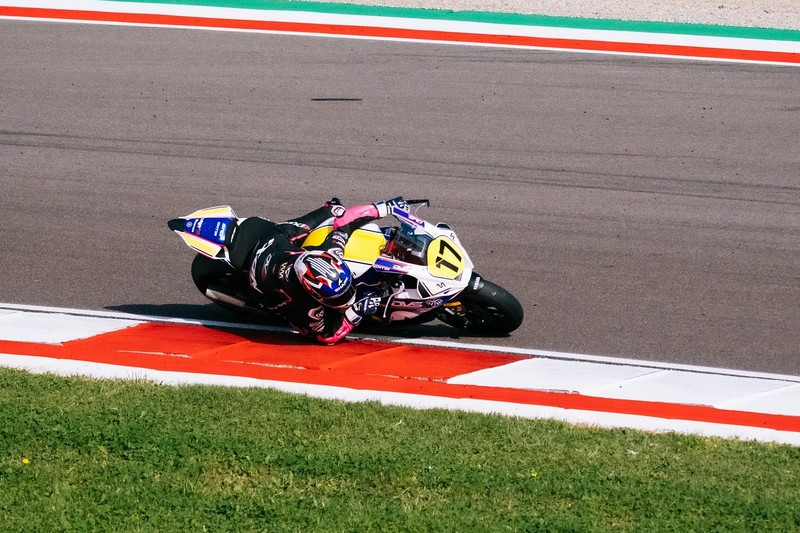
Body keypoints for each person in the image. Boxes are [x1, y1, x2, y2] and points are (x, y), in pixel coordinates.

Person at [227, 196, 408, 344]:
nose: (347, 298)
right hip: (260, 281)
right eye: (338, 298)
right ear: (312, 292)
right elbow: (327, 336)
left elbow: (345, 223)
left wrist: (382, 208)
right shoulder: (307, 306)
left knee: (336, 210)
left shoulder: (331, 252)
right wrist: (355, 312)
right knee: (303, 325)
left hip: (274, 243)